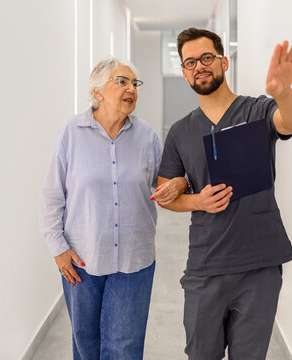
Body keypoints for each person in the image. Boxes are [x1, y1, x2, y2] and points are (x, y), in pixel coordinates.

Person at [157, 28, 292, 360]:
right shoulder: (181, 132)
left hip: (259, 267)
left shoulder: (256, 111)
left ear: (224, 61)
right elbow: (165, 194)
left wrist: (283, 94)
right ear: (184, 72)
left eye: (207, 57)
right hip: (205, 265)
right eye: (191, 62)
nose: (199, 66)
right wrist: (197, 200)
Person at [39, 57, 188, 359]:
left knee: (125, 348)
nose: (131, 88)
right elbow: (52, 195)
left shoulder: (147, 136)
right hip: (82, 260)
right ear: (98, 91)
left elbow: (164, 187)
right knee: (86, 343)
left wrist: (183, 184)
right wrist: (57, 248)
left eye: (135, 83)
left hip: (133, 261)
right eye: (122, 81)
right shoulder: (71, 132)